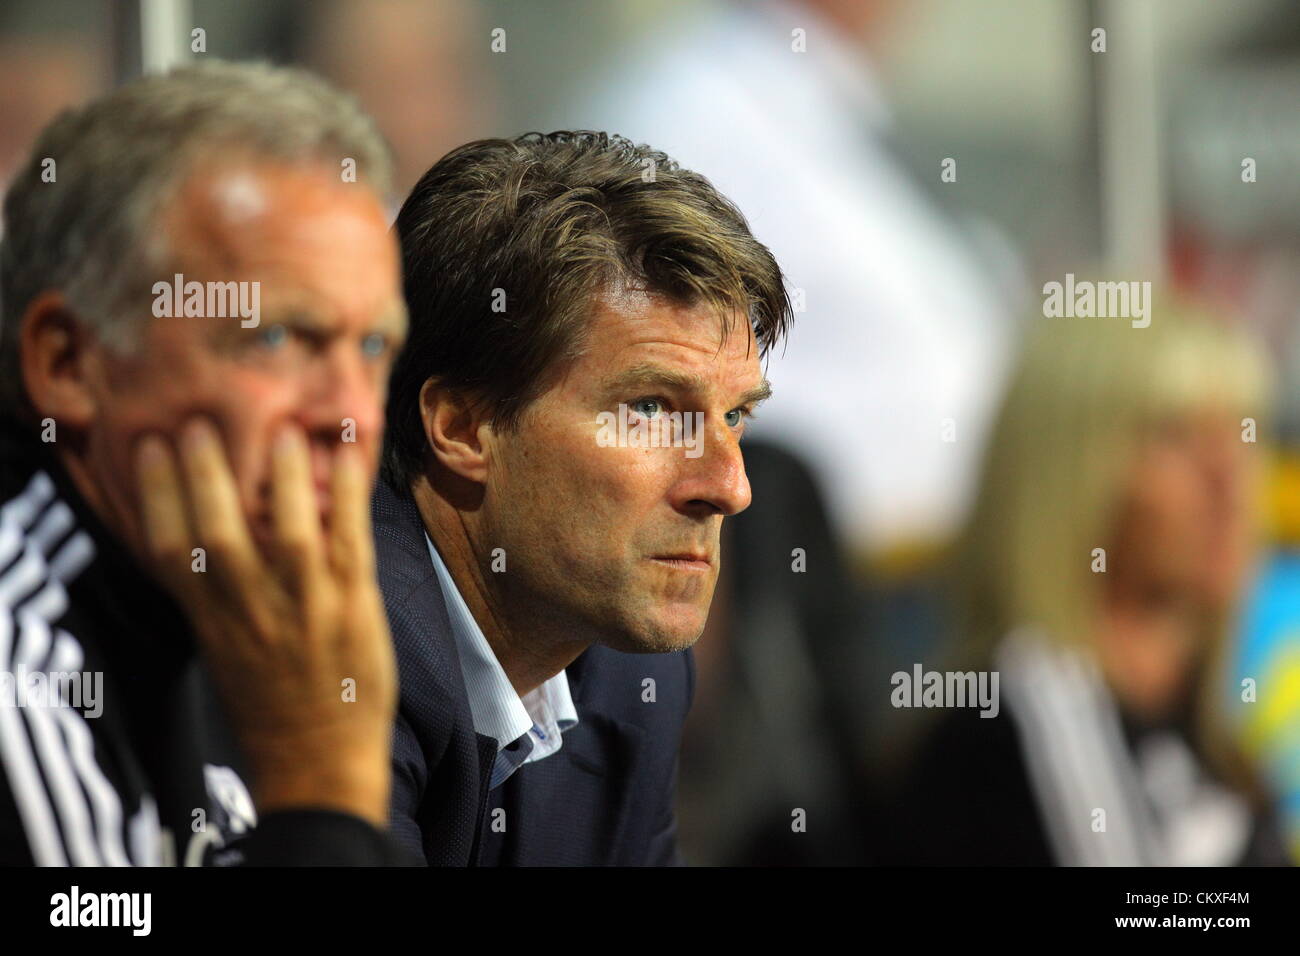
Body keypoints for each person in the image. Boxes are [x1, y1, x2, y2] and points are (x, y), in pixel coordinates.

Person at [0, 60, 411, 865]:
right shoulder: (20, 680)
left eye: (372, 347)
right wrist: (320, 780)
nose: (352, 416)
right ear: (68, 363)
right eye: (277, 337)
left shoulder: (267, 598)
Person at [378, 131, 792, 865]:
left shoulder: (635, 674)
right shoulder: (339, 655)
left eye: (734, 417)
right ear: (463, 428)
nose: (729, 487)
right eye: (654, 409)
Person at [875, 302, 1289, 865]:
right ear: (1066, 474)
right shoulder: (1006, 739)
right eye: (1173, 435)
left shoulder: (1210, 741)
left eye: (1242, 431)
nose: (1228, 477)